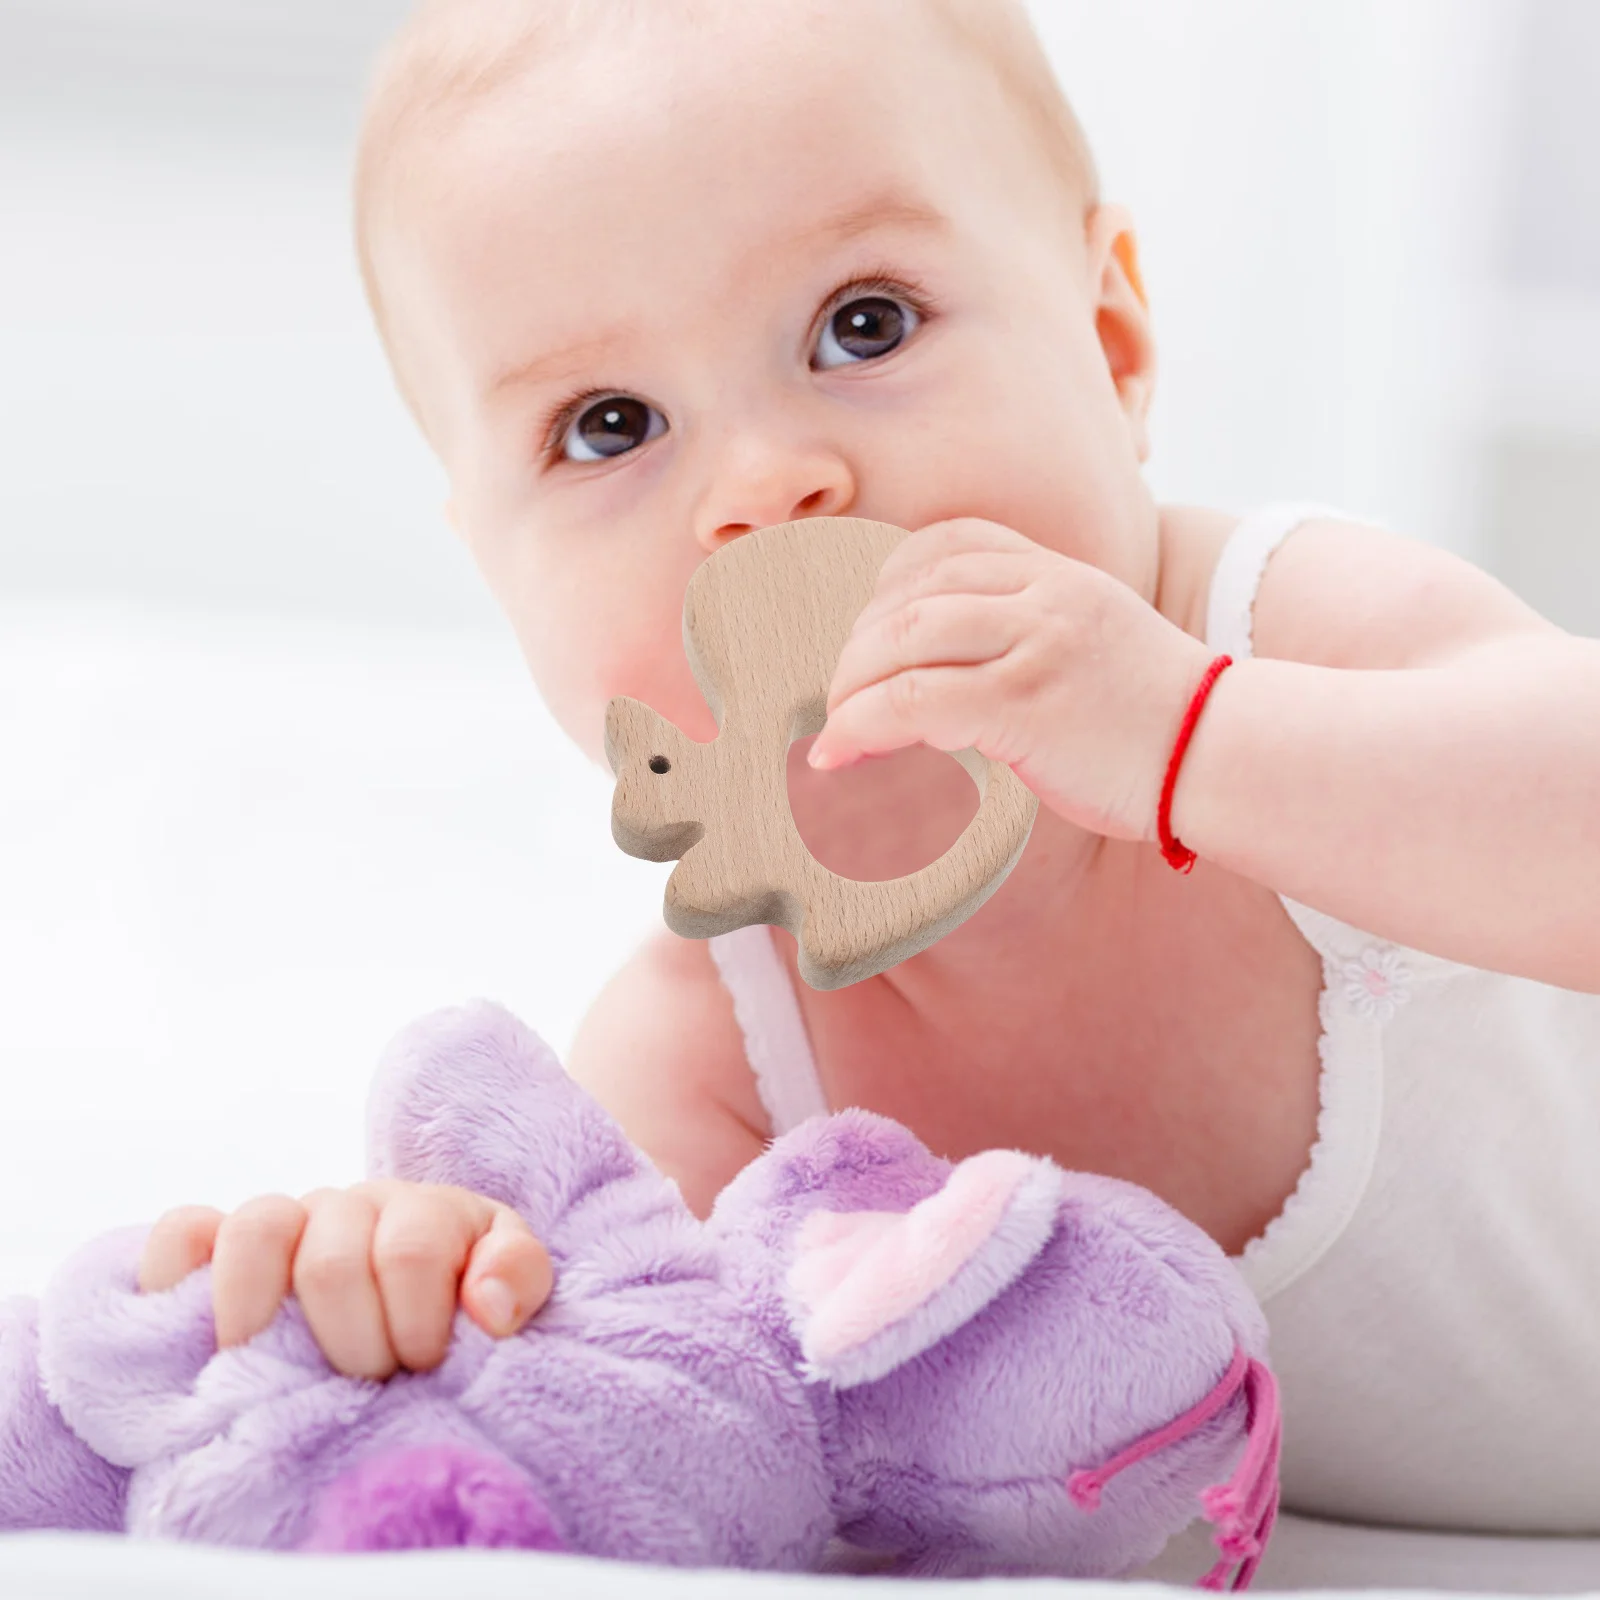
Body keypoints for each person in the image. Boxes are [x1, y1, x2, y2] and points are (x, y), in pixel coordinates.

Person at [136, 0, 1600, 1538]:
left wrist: (1185, 733)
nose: (767, 489)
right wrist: (432, 1293)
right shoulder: (715, 1056)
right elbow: (664, 1430)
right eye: (610, 424)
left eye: (866, 325)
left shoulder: (1284, 634)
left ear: (1111, 345)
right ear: (496, 569)